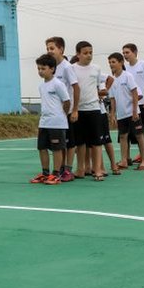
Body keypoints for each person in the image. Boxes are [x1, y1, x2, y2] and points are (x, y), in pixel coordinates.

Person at [30, 54, 70, 185]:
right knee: (42, 148)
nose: (40, 71)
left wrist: (61, 115)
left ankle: (56, 174)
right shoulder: (42, 86)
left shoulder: (58, 84)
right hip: (44, 122)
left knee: (57, 149)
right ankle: (45, 173)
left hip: (57, 123)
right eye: (39, 68)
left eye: (43, 68)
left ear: (52, 69)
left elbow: (66, 101)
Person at [107, 52, 144, 170]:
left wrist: (135, 111)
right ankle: (124, 160)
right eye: (109, 62)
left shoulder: (128, 76)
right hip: (121, 114)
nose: (111, 64)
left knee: (139, 135)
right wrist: (112, 114)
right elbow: (112, 99)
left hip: (132, 112)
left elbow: (135, 94)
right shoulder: (111, 80)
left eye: (113, 62)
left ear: (121, 62)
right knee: (123, 136)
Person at [45, 37, 80, 182]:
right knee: (60, 143)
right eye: (47, 48)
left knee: (70, 143)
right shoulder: (52, 67)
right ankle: (60, 169)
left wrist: (75, 109)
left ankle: (68, 170)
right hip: (56, 113)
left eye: (52, 48)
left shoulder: (67, 67)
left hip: (68, 110)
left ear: (61, 49)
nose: (49, 51)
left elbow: (76, 88)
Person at [71, 41, 105, 181]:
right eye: (85, 53)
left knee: (96, 142)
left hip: (93, 109)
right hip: (78, 110)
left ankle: (97, 170)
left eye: (90, 52)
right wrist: (74, 109)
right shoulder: (71, 69)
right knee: (80, 142)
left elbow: (98, 86)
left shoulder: (96, 69)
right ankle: (80, 169)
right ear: (78, 54)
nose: (89, 55)